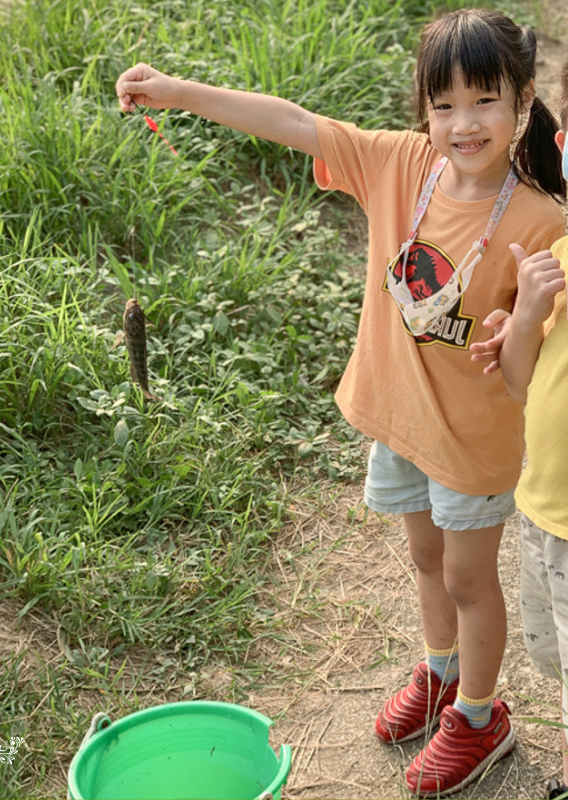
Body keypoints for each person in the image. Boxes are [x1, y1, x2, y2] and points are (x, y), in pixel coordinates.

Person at [116, 8, 565, 797]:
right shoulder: (397, 165)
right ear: (423, 109)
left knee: (468, 579)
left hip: (472, 443)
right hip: (400, 420)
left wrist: (516, 324)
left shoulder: (542, 221)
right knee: (425, 561)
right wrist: (179, 91)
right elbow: (293, 122)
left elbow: (536, 358)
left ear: (524, 101)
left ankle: (480, 715)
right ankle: (441, 672)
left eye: (485, 101)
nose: (464, 124)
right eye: (444, 104)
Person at [473, 56, 568, 800]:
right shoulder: (556, 259)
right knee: (555, 658)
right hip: (543, 512)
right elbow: (516, 381)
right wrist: (524, 321)